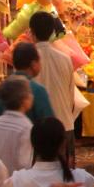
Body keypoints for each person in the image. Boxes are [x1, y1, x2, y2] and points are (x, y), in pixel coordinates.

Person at [28, 12, 77, 157]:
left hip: (39, 130)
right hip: (65, 125)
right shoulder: (65, 59)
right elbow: (71, 96)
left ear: (32, 32)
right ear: (52, 32)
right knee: (65, 176)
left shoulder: (28, 60)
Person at [0, 42, 56, 124]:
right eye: (39, 61)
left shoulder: (1, 89)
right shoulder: (38, 90)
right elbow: (49, 125)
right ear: (33, 64)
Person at [0, 75, 36, 174]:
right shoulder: (26, 127)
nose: (32, 96)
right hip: (14, 184)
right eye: (29, 93)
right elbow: (24, 164)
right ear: (23, 99)